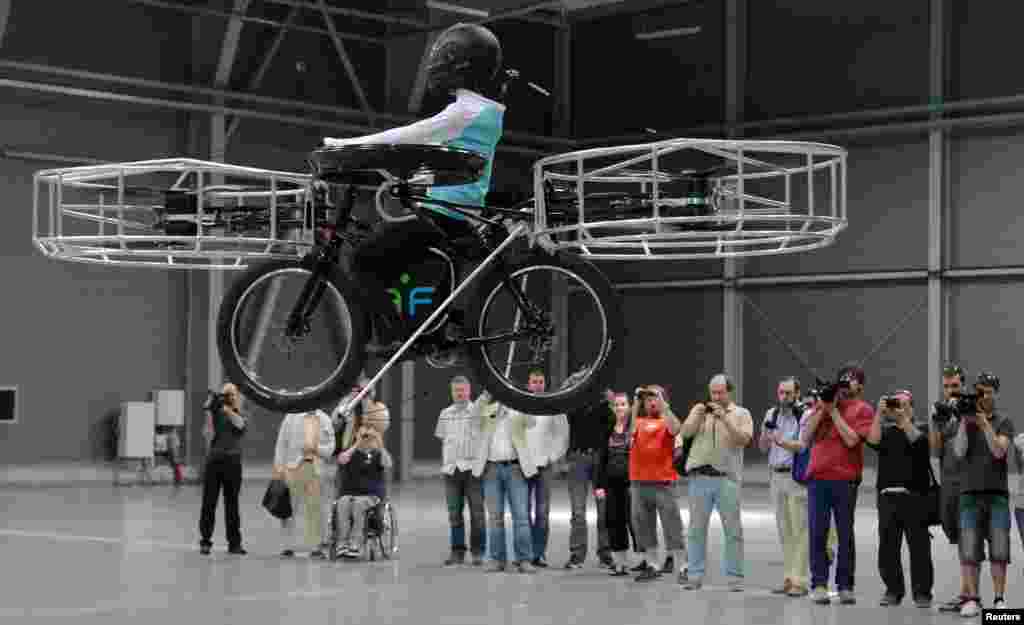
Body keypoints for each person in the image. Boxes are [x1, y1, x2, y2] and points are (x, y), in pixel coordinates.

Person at [322, 23, 509, 349]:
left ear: (464, 63)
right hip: (453, 215)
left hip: (445, 217)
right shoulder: (480, 113)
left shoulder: (466, 111)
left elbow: (408, 135)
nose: (438, 63)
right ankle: (423, 329)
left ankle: (398, 335)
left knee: (363, 259)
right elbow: (435, 156)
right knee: (385, 247)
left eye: (447, 56)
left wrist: (346, 146)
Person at [801, 365, 874, 605]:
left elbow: (852, 440)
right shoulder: (821, 405)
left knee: (845, 534)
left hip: (845, 479)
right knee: (817, 533)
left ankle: (845, 585)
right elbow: (805, 437)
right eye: (842, 380)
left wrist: (834, 413)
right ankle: (819, 583)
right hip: (818, 478)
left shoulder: (863, 409)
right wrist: (823, 408)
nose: (845, 384)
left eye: (851, 381)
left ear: (861, 386)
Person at [680, 374, 753, 592]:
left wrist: (726, 418)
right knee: (695, 530)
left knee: (733, 531)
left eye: (720, 392)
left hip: (726, 479)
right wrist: (696, 414)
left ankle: (735, 577)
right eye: (713, 392)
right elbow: (685, 433)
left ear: (729, 392)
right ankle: (694, 575)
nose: (716, 396)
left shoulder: (741, 413)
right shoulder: (702, 411)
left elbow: (744, 440)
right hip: (699, 478)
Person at [949, 372, 1014, 617]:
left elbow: (999, 451)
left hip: (997, 493)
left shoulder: (1004, 420)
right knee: (969, 550)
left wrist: (985, 422)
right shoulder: (964, 420)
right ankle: (972, 598)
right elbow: (958, 451)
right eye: (980, 391)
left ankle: (999, 600)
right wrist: (966, 422)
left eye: (987, 391)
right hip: (969, 493)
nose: (983, 395)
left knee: (999, 549)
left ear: (995, 392)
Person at [865, 390, 934, 607]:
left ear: (912, 408)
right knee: (888, 548)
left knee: (920, 548)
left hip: (915, 496)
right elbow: (872, 441)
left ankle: (922, 593)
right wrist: (879, 413)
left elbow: (920, 444)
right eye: (896, 404)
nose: (899, 408)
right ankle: (893, 590)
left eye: (904, 405)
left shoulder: (921, 428)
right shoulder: (885, 430)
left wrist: (904, 420)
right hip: (887, 496)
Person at [472, 390, 538, 573]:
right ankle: (496, 559)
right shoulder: (488, 410)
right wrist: (484, 396)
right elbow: (473, 419)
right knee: (495, 518)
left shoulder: (518, 411)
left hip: (516, 468)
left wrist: (521, 403)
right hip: (491, 469)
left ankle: (524, 559)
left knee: (521, 517)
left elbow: (532, 422)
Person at [628, 385, 687, 583]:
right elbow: (629, 432)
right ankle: (652, 565)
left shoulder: (666, 420)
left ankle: (683, 566)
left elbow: (676, 428)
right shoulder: (638, 421)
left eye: (655, 398)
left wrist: (664, 406)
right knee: (643, 525)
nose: (651, 402)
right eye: (648, 399)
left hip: (663, 482)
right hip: (639, 482)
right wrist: (636, 403)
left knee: (672, 525)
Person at [758, 376, 810, 596]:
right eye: (781, 392)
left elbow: (803, 446)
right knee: (784, 530)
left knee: (800, 529)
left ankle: (801, 580)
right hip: (776, 477)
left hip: (796, 478)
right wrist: (766, 436)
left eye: (789, 393)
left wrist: (781, 441)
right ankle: (789, 577)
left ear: (797, 394)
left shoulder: (805, 415)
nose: (784, 397)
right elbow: (762, 448)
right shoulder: (771, 414)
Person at [929, 363, 974, 612]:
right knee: (956, 537)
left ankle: (970, 595)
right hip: (948, 483)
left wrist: (962, 415)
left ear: (963, 385)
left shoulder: (971, 409)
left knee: (970, 540)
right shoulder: (943, 410)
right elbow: (935, 450)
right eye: (946, 387)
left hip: (969, 483)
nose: (950, 391)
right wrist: (937, 422)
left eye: (955, 386)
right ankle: (966, 592)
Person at [563, 369, 615, 570]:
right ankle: (577, 555)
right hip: (577, 460)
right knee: (577, 512)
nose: (583, 381)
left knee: (604, 511)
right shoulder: (570, 402)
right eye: (580, 378)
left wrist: (610, 401)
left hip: (600, 461)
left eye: (586, 377)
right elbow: (556, 404)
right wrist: (570, 382)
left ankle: (606, 554)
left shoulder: (603, 402)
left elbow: (616, 425)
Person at [436, 375, 486, 566]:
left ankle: (478, 552)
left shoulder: (478, 412)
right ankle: (457, 552)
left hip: (473, 471)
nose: (459, 394)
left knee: (477, 515)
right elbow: (443, 438)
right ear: (451, 392)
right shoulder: (444, 414)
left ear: (469, 391)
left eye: (462, 390)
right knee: (454, 515)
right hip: (451, 471)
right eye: (456, 391)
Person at [522, 370, 569, 568]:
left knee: (542, 512)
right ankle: (524, 553)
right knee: (523, 512)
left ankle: (539, 554)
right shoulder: (520, 404)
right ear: (528, 384)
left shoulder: (553, 405)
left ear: (545, 384)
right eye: (534, 382)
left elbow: (562, 434)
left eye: (541, 382)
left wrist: (553, 456)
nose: (538, 385)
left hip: (544, 466)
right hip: (523, 465)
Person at [273, 409, 335, 559]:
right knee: (288, 509)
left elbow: (330, 448)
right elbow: (282, 443)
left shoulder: (325, 419)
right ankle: (287, 546)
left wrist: (316, 449)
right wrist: (278, 468)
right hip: (293, 467)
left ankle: (315, 547)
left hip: (315, 468)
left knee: (314, 508)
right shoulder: (291, 416)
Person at [198, 383, 248, 556]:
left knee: (232, 504)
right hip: (214, 461)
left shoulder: (239, 413)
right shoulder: (216, 409)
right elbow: (206, 407)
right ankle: (205, 541)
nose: (230, 397)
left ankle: (234, 543)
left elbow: (240, 425)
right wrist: (215, 399)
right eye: (227, 394)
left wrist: (227, 410)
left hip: (233, 463)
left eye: (233, 394)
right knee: (209, 503)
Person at [594, 392, 639, 576]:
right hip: (611, 484)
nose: (620, 407)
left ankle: (645, 561)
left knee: (634, 521)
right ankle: (621, 563)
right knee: (613, 522)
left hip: (631, 484)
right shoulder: (607, 429)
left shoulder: (635, 428)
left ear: (629, 407)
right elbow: (601, 459)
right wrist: (599, 485)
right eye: (617, 405)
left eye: (623, 404)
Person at [335, 425, 394, 559]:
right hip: (349, 494)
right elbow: (341, 460)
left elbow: (388, 464)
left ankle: (355, 543)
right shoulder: (351, 453)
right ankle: (342, 543)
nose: (366, 438)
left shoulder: (378, 454)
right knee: (342, 504)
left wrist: (379, 443)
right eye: (363, 435)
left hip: (371, 495)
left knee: (358, 504)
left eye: (369, 436)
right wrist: (357, 444)